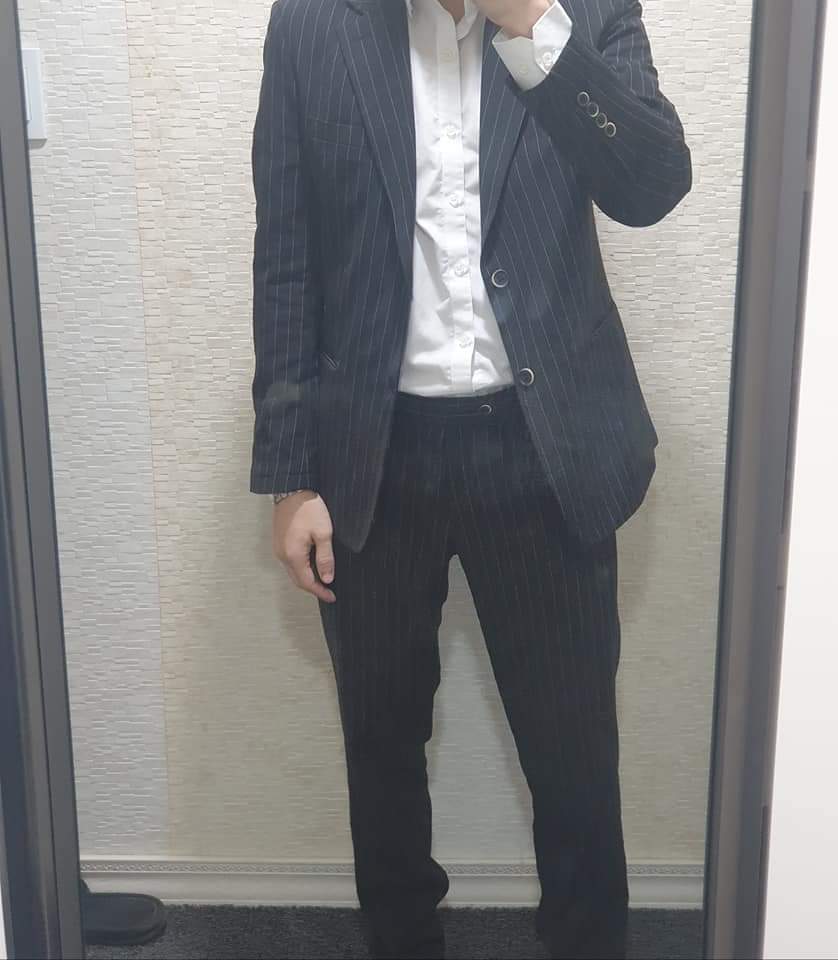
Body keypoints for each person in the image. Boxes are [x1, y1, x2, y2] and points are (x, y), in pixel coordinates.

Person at [249, 0, 691, 957]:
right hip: (373, 453)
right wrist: (291, 474)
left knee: (574, 756)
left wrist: (532, 24)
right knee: (381, 746)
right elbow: (284, 253)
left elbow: (653, 183)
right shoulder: (313, 22)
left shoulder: (585, 10)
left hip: (543, 447)